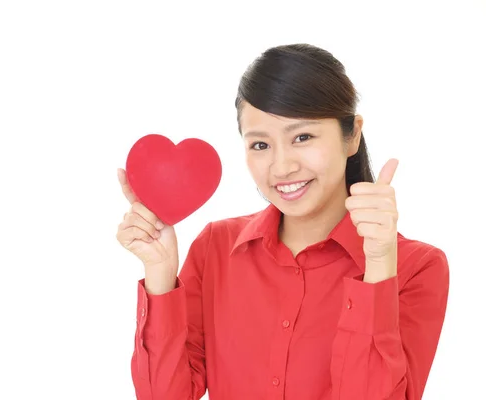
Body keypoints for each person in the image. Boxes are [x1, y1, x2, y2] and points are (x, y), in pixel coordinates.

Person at [116, 43, 449, 400]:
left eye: (302, 137)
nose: (281, 167)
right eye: (260, 145)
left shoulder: (416, 268)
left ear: (351, 135)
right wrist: (161, 275)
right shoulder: (216, 246)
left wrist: (379, 264)